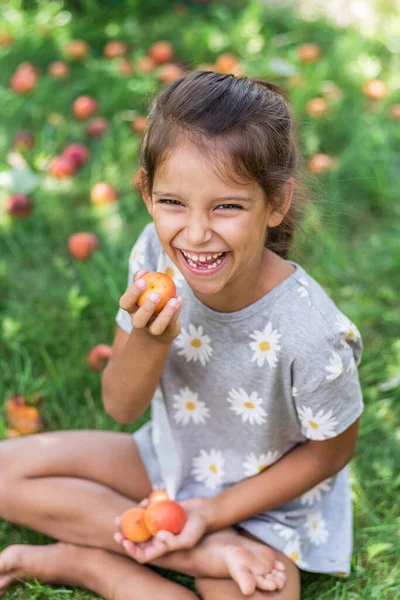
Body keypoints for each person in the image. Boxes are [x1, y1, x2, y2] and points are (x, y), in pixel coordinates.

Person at [0, 71, 363, 600]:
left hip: (265, 507)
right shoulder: (154, 257)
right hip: (172, 461)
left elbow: (329, 454)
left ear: (276, 203)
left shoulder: (311, 333)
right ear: (146, 192)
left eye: (228, 206)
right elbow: (122, 408)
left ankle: (99, 564)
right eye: (173, 203)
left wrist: (214, 513)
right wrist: (149, 340)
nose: (195, 234)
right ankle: (190, 552)